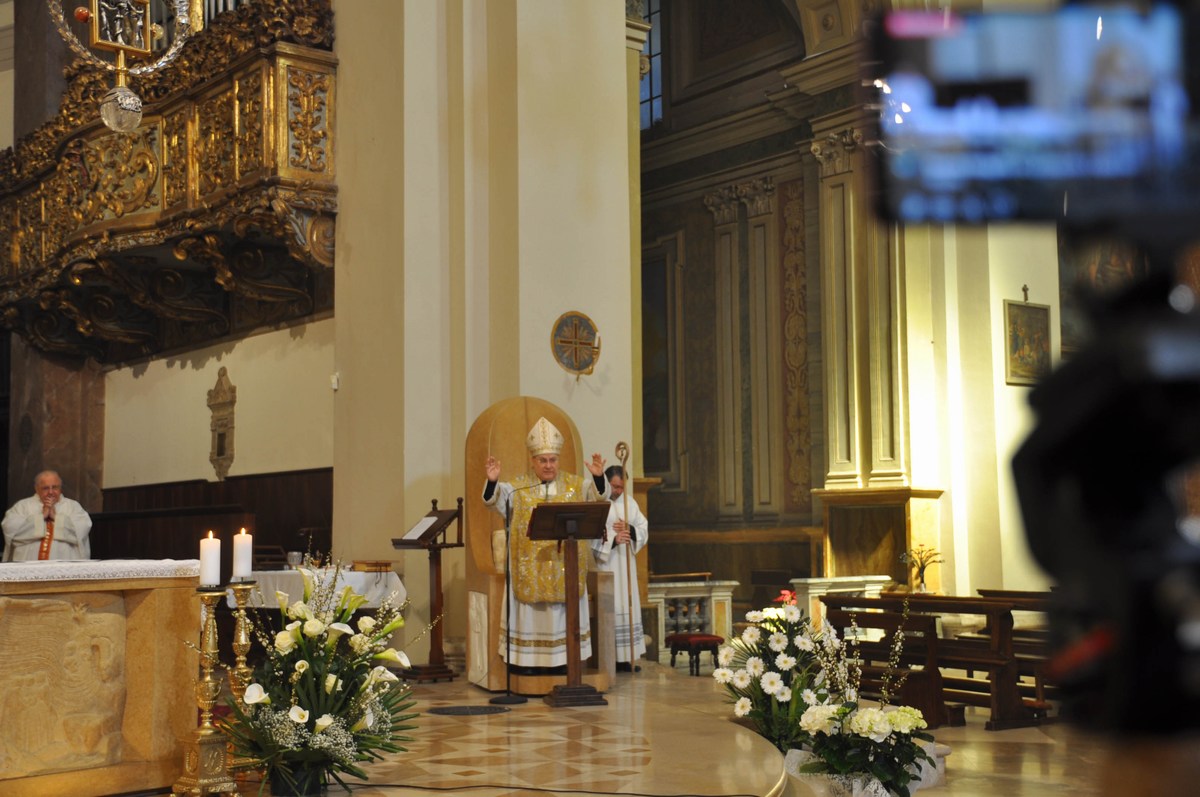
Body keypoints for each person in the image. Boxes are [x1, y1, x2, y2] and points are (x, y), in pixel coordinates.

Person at [483, 416, 609, 672]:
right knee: (531, 615)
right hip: (530, 568)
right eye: (543, 460)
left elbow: (599, 495)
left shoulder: (575, 486)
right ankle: (527, 662)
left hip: (565, 565)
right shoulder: (518, 488)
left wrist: (597, 477)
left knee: (562, 610)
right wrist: (493, 481)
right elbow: (493, 501)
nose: (549, 465)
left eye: (553, 460)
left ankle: (565, 660)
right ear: (533, 461)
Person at [592, 464, 648, 671]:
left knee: (627, 606)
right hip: (607, 564)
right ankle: (608, 658)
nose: (618, 491)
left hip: (626, 564)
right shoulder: (599, 504)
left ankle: (627, 658)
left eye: (621, 487)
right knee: (611, 607)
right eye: (614, 487)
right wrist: (613, 540)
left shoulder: (630, 503)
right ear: (607, 483)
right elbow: (591, 535)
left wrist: (631, 531)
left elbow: (644, 527)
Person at [2, 470, 93, 562]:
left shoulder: (73, 507)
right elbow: (11, 532)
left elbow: (81, 531)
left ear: (60, 488)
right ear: (37, 489)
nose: (50, 492)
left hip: (64, 568)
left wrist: (56, 518)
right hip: (27, 567)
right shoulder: (22, 506)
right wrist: (41, 517)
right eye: (45, 488)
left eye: (55, 487)